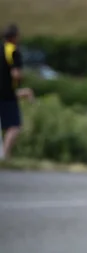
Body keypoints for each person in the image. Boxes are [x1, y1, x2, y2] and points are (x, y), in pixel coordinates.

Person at [1, 24, 23, 160]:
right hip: (7, 94)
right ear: (14, 37)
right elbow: (15, 74)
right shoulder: (13, 51)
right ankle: (5, 155)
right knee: (14, 126)